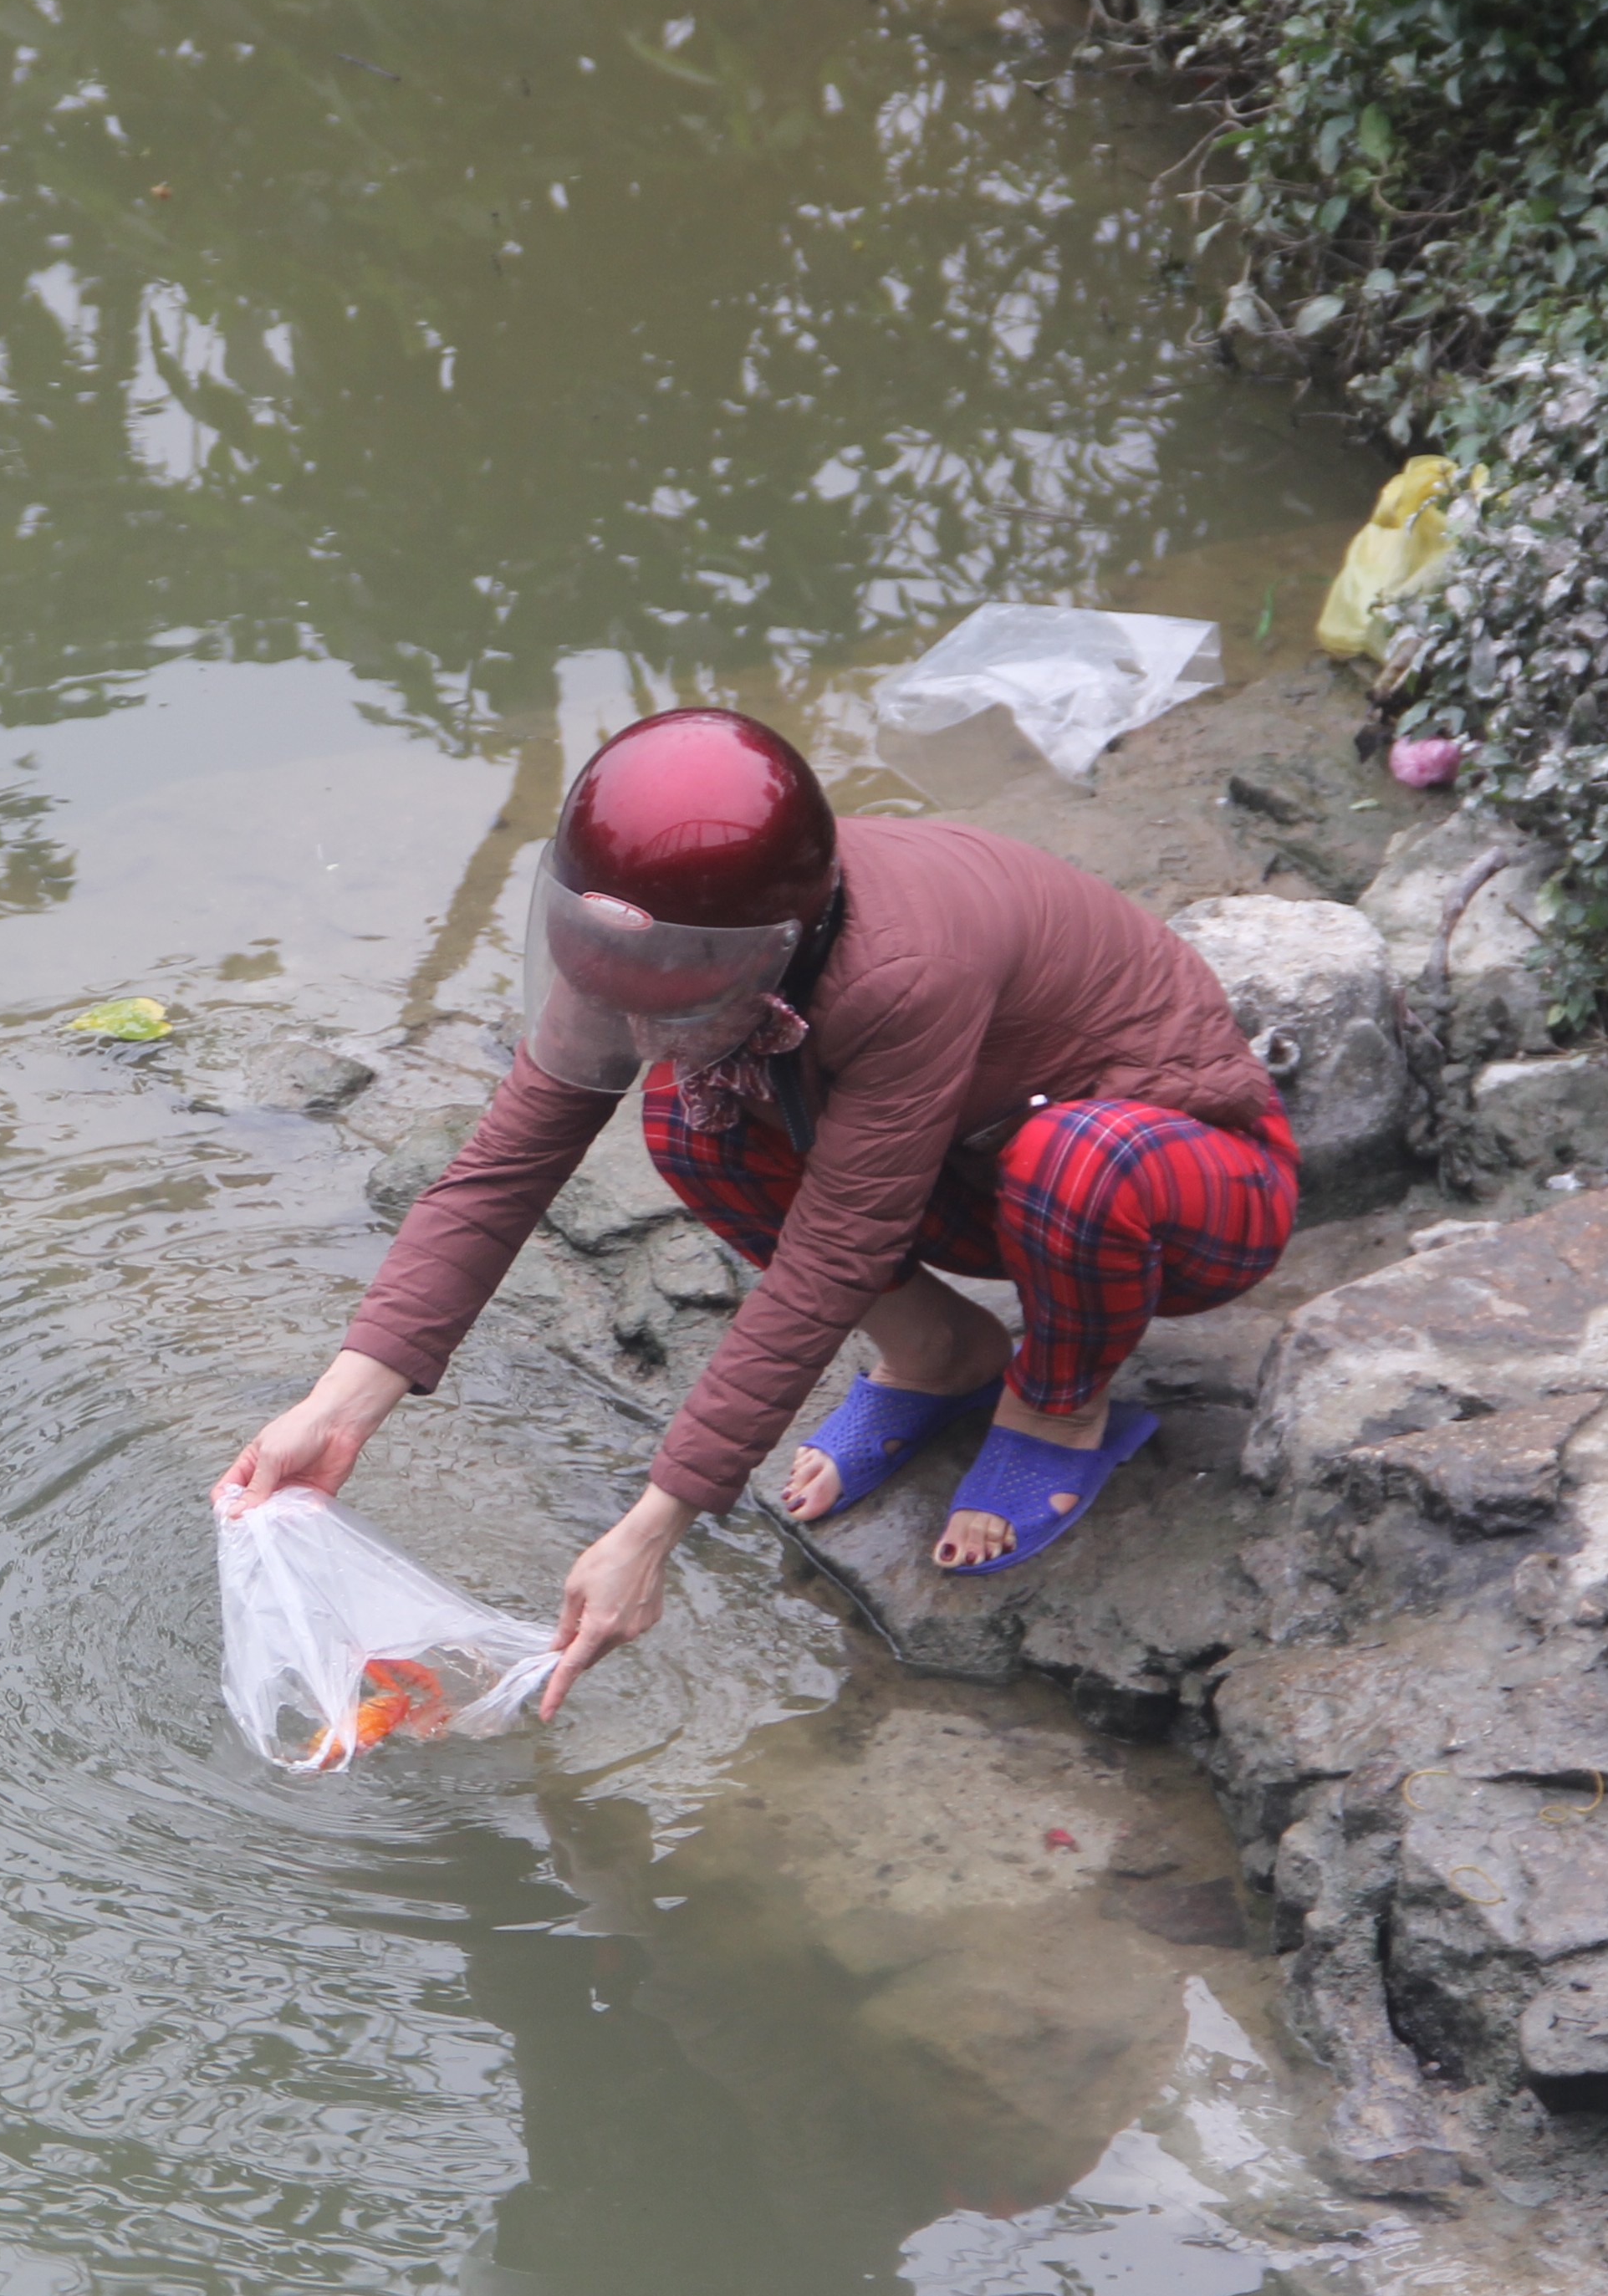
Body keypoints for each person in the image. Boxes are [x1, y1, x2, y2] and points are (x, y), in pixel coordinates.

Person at [213, 704, 1294, 1714]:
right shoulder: (654, 933)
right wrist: (339, 1406)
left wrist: (657, 1522)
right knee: (689, 1117)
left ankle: (1061, 1403)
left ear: (774, 944)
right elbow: (505, 1163)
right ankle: (940, 1355)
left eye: (663, 994)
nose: (628, 1020)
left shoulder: (904, 971)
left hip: (1188, 1189)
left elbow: (834, 1250)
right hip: (976, 1161)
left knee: (1080, 1164)